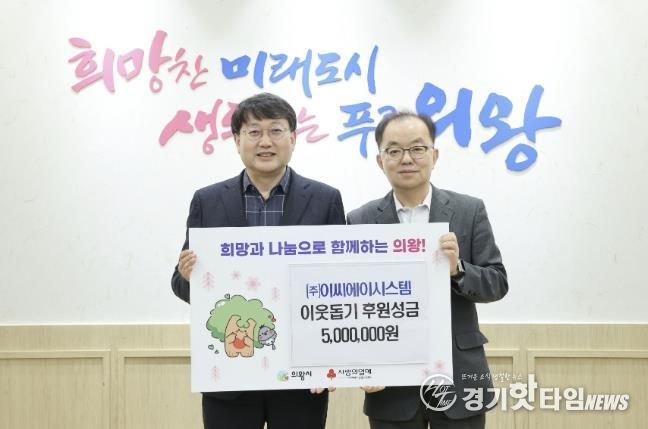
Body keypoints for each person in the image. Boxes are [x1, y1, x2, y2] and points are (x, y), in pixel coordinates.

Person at [171, 92, 345, 429]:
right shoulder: (207, 201)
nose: (265, 141)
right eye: (254, 132)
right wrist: (188, 276)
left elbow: (338, 285)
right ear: (237, 140)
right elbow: (182, 286)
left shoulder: (325, 200)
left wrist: (332, 359)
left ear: (293, 138)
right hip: (230, 374)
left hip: (301, 375)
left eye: (276, 130)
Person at [347, 111, 508, 429]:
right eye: (394, 150)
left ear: (434, 155)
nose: (406, 158)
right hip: (390, 384)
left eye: (417, 148)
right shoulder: (359, 220)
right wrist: (363, 364)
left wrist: (458, 270)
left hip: (458, 376)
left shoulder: (469, 210)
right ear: (380, 160)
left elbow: (497, 283)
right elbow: (351, 301)